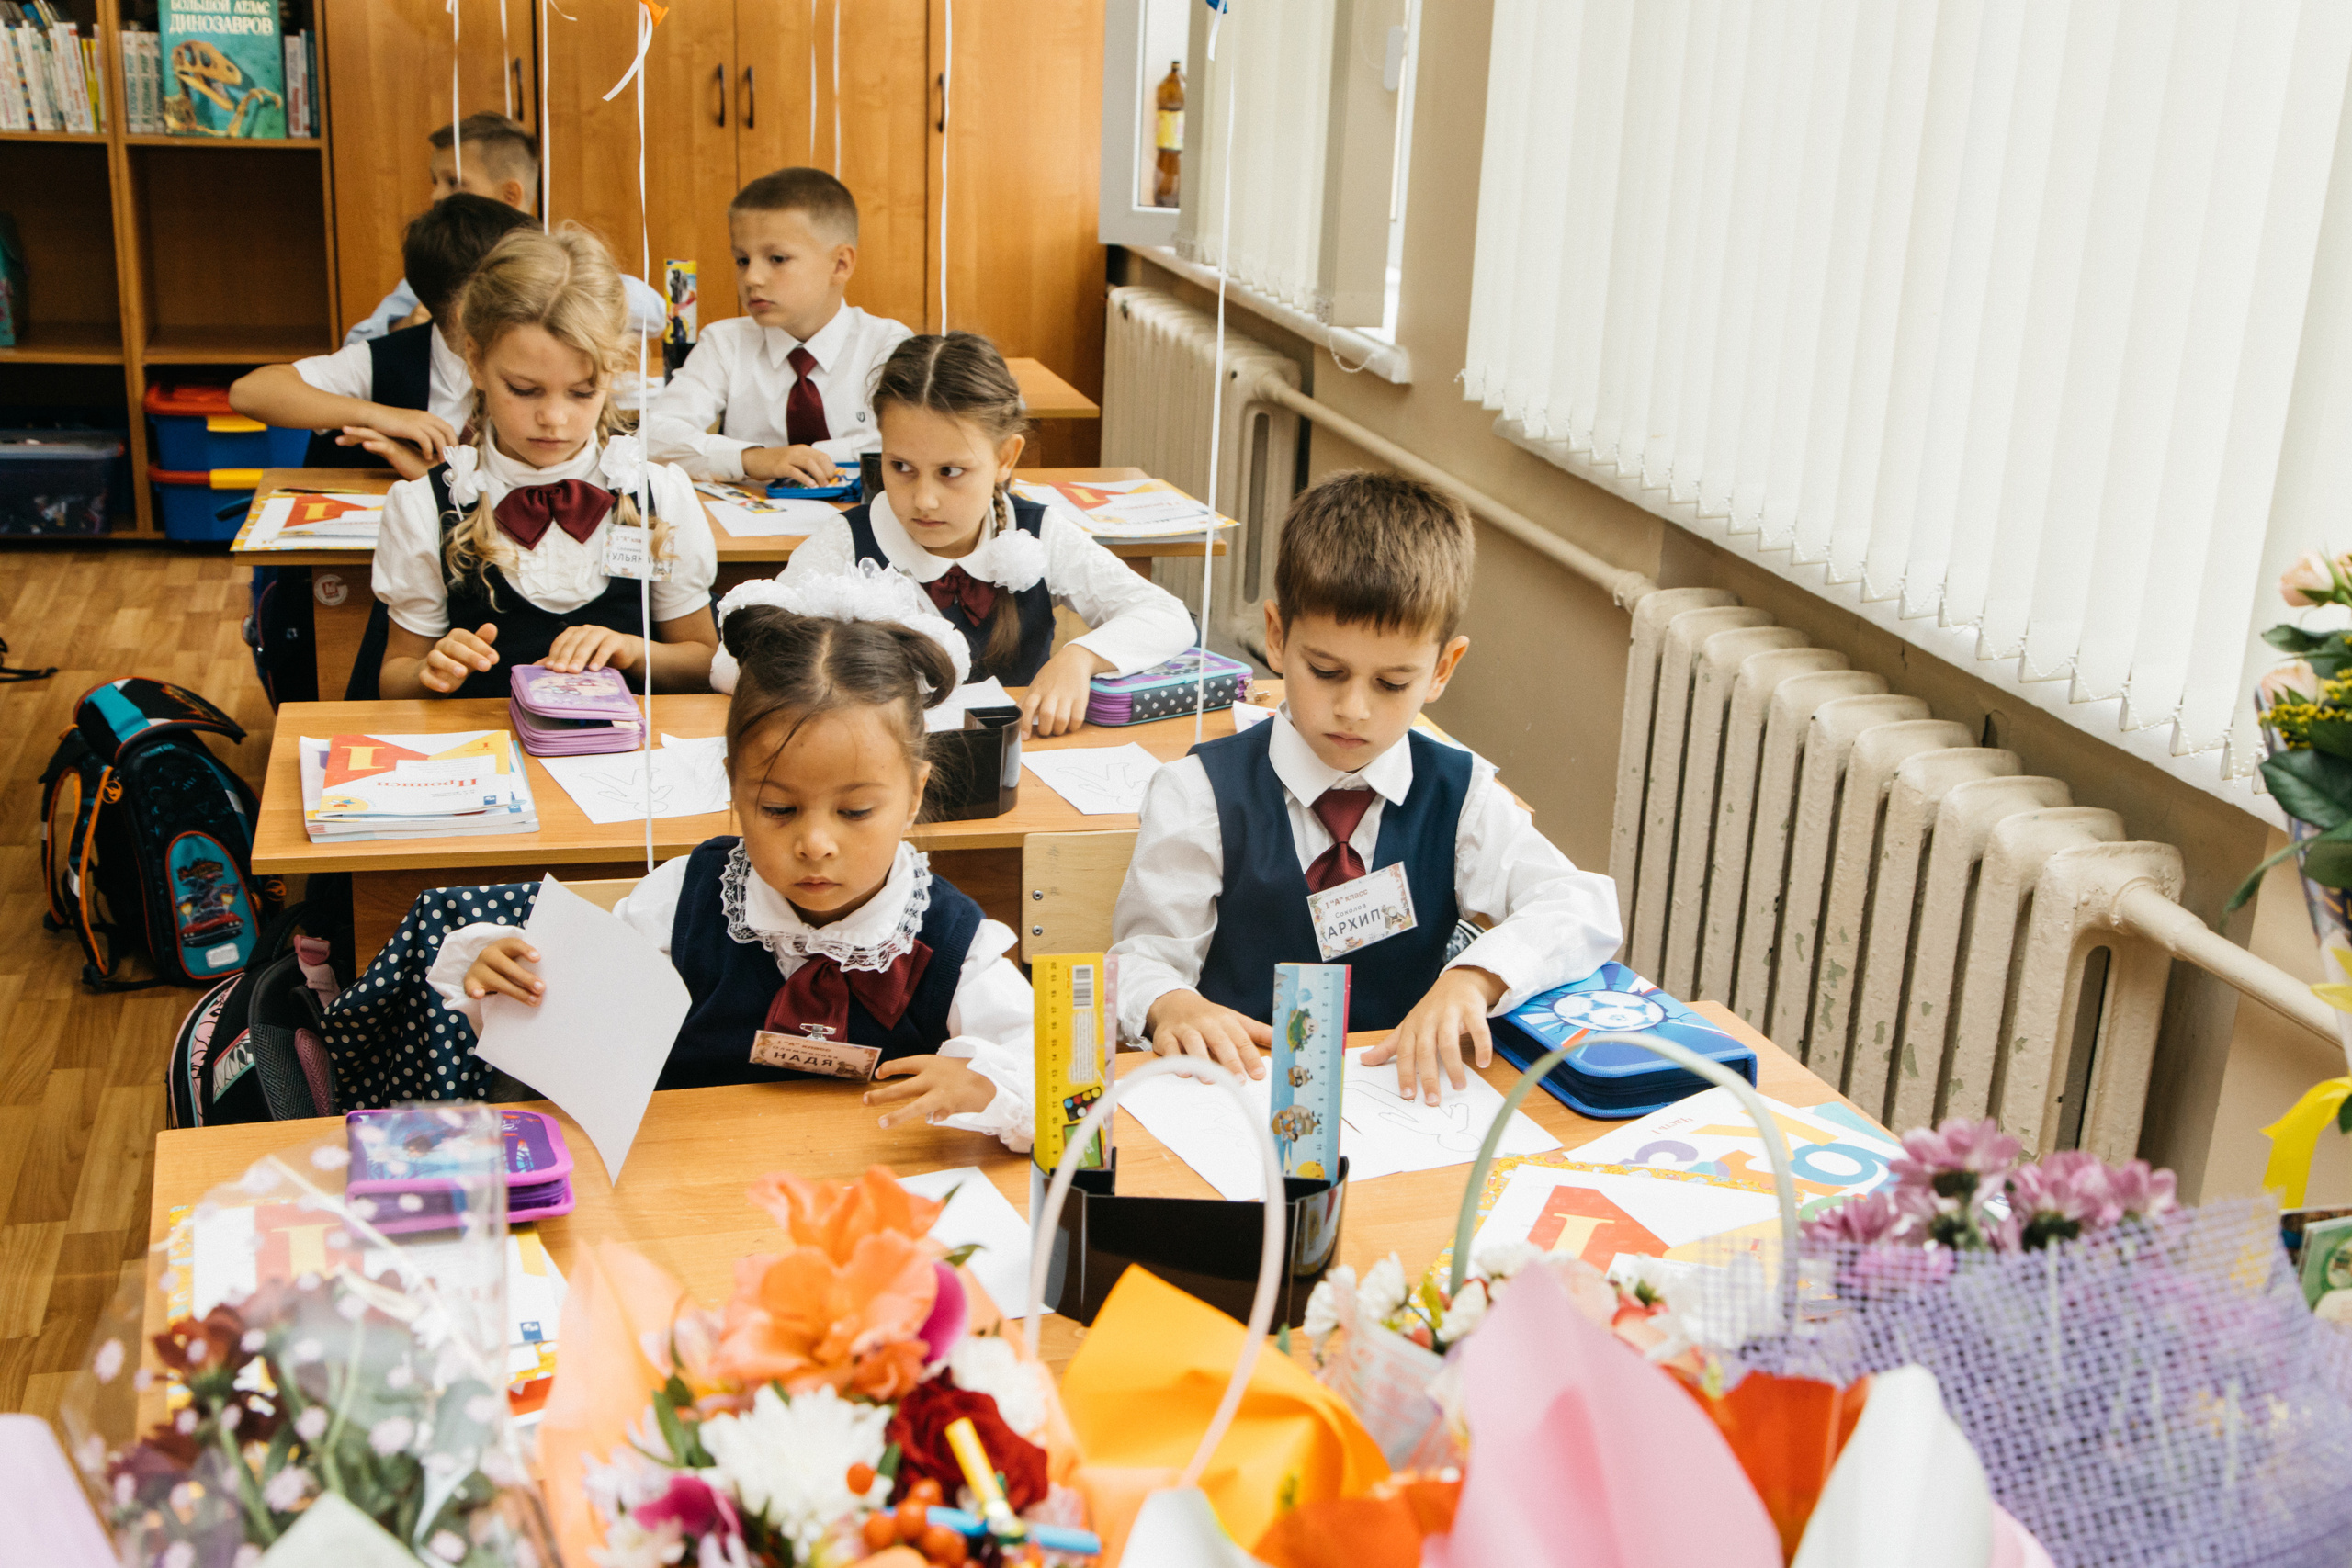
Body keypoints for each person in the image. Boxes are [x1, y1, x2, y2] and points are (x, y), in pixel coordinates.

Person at [428, 592, 1036, 1146]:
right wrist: (508, 979)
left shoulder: (959, 942)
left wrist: (988, 1087)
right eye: (777, 808)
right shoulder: (679, 903)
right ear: (736, 790)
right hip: (692, 1196)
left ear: (912, 796)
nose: (816, 842)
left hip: (875, 1216)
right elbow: (575, 1033)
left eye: (854, 810)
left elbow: (1053, 1077)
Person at [1107, 470, 1623, 1102]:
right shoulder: (1198, 795)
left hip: (1402, 1103)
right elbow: (1142, 958)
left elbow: (1582, 903)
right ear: (1277, 636)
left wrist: (1475, 978)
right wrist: (1171, 1003)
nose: (1353, 708)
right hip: (1235, 1100)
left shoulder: (1461, 795)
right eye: (1327, 671)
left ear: (1443, 668)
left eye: (1391, 683)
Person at [759, 332, 1194, 736]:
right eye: (900, 467)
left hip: (1019, 767)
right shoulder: (847, 541)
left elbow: (1167, 617)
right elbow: (740, 657)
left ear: (1006, 457)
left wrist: (1080, 657)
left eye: (951, 472)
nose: (923, 499)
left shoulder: (1039, 532)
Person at [371, 225, 718, 700]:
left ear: (613, 373)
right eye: (524, 389)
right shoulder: (423, 507)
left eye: (581, 392)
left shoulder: (661, 494)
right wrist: (429, 672)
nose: (553, 418)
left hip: (619, 764)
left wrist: (633, 651)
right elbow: (394, 679)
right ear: (474, 360)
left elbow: (704, 662)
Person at [642, 166, 913, 485]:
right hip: (749, 527)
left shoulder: (888, 346)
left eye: (777, 259)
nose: (752, 278)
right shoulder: (725, 342)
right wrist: (753, 458)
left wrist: (803, 456)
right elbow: (652, 438)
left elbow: (910, 444)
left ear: (840, 265)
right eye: (742, 260)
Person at [229, 195, 534, 476]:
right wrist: (379, 416)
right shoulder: (389, 360)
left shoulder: (546, 365)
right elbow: (250, 392)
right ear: (469, 308)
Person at [344, 113, 669, 345]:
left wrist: (557, 288)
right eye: (435, 181)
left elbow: (655, 314)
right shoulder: (439, 269)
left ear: (509, 195)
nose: (436, 196)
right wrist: (405, 326)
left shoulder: (560, 261)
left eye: (454, 182)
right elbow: (356, 343)